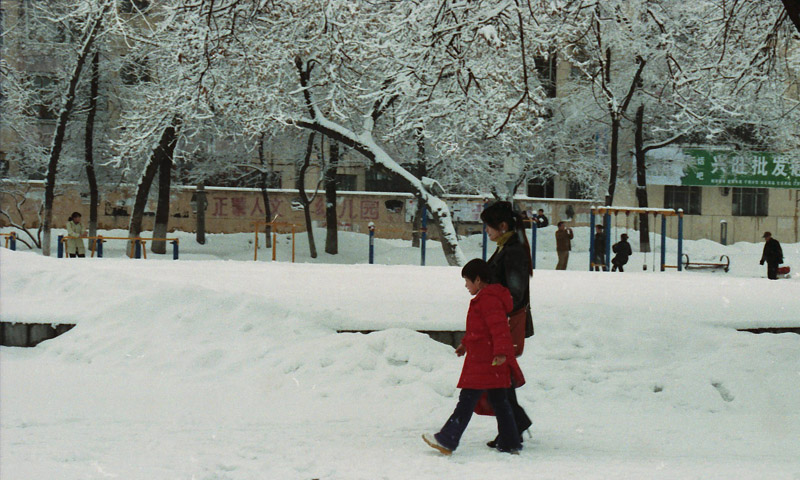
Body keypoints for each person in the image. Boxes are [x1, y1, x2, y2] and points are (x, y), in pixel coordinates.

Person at [422, 259, 524, 455]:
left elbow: (499, 329)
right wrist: (465, 344)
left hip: (485, 361)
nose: (466, 285)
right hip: (487, 359)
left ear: (478, 280)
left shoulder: (488, 300)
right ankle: (510, 442)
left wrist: (501, 352)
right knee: (500, 402)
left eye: (467, 281)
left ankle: (447, 439)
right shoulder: (487, 298)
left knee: (467, 400)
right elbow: (480, 330)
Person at [479, 201, 533, 447]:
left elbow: (515, 293)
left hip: (506, 322)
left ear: (502, 226)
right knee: (500, 377)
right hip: (500, 320)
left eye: (489, 227)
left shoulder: (512, 251)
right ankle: (514, 424)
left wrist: (493, 305)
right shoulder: (506, 247)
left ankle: (514, 426)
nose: (487, 231)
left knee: (498, 377)